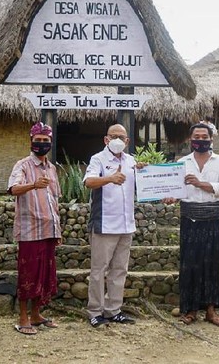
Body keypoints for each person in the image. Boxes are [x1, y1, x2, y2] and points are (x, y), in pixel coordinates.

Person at [164, 123, 219, 326]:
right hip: (189, 220)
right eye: (197, 136)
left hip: (212, 219)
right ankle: (190, 309)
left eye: (204, 136)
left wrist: (200, 183)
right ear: (190, 139)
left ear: (211, 139)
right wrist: (170, 197)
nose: (200, 140)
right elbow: (177, 191)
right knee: (190, 264)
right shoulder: (182, 162)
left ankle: (211, 310)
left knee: (213, 264)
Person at [83, 124, 145, 327]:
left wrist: (145, 173)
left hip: (126, 225)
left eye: (122, 137)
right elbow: (89, 182)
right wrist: (109, 178)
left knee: (119, 270)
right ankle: (94, 311)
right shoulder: (98, 159)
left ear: (127, 141)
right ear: (106, 139)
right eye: (114, 136)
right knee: (99, 270)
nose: (118, 139)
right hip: (105, 224)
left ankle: (113, 309)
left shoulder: (131, 161)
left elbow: (141, 187)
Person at [7, 122, 62, 335]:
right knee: (28, 274)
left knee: (45, 274)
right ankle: (23, 317)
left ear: (50, 143)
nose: (41, 144)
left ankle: (37, 314)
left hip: (49, 229)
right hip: (30, 230)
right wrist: (33, 184)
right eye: (38, 140)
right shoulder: (22, 165)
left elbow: (54, 199)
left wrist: (58, 229)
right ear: (31, 141)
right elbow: (13, 189)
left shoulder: (52, 168)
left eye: (45, 141)